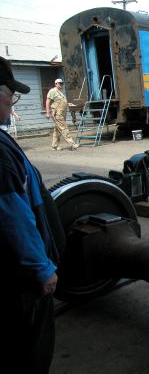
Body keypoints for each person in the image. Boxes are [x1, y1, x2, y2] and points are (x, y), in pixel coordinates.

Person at [0, 56, 60, 373]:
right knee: (28, 353)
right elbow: (13, 219)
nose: (12, 104)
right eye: (11, 95)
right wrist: (41, 269)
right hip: (18, 281)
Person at [46, 78, 79, 150]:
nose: (61, 84)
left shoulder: (60, 92)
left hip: (62, 114)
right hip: (57, 114)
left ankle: (54, 146)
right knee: (64, 128)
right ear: (55, 84)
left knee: (57, 130)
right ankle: (71, 144)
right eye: (59, 83)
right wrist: (48, 112)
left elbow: (60, 102)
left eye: (62, 83)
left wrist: (68, 104)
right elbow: (48, 101)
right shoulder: (52, 91)